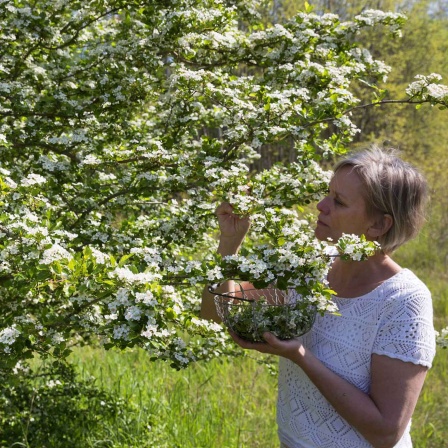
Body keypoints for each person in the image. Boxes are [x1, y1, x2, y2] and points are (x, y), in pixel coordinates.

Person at [200, 145, 436, 448]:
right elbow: (217, 311)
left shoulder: (403, 300)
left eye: (338, 201)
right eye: (328, 194)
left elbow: (386, 432)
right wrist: (230, 243)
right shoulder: (313, 265)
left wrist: (299, 356)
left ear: (378, 225)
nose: (321, 206)